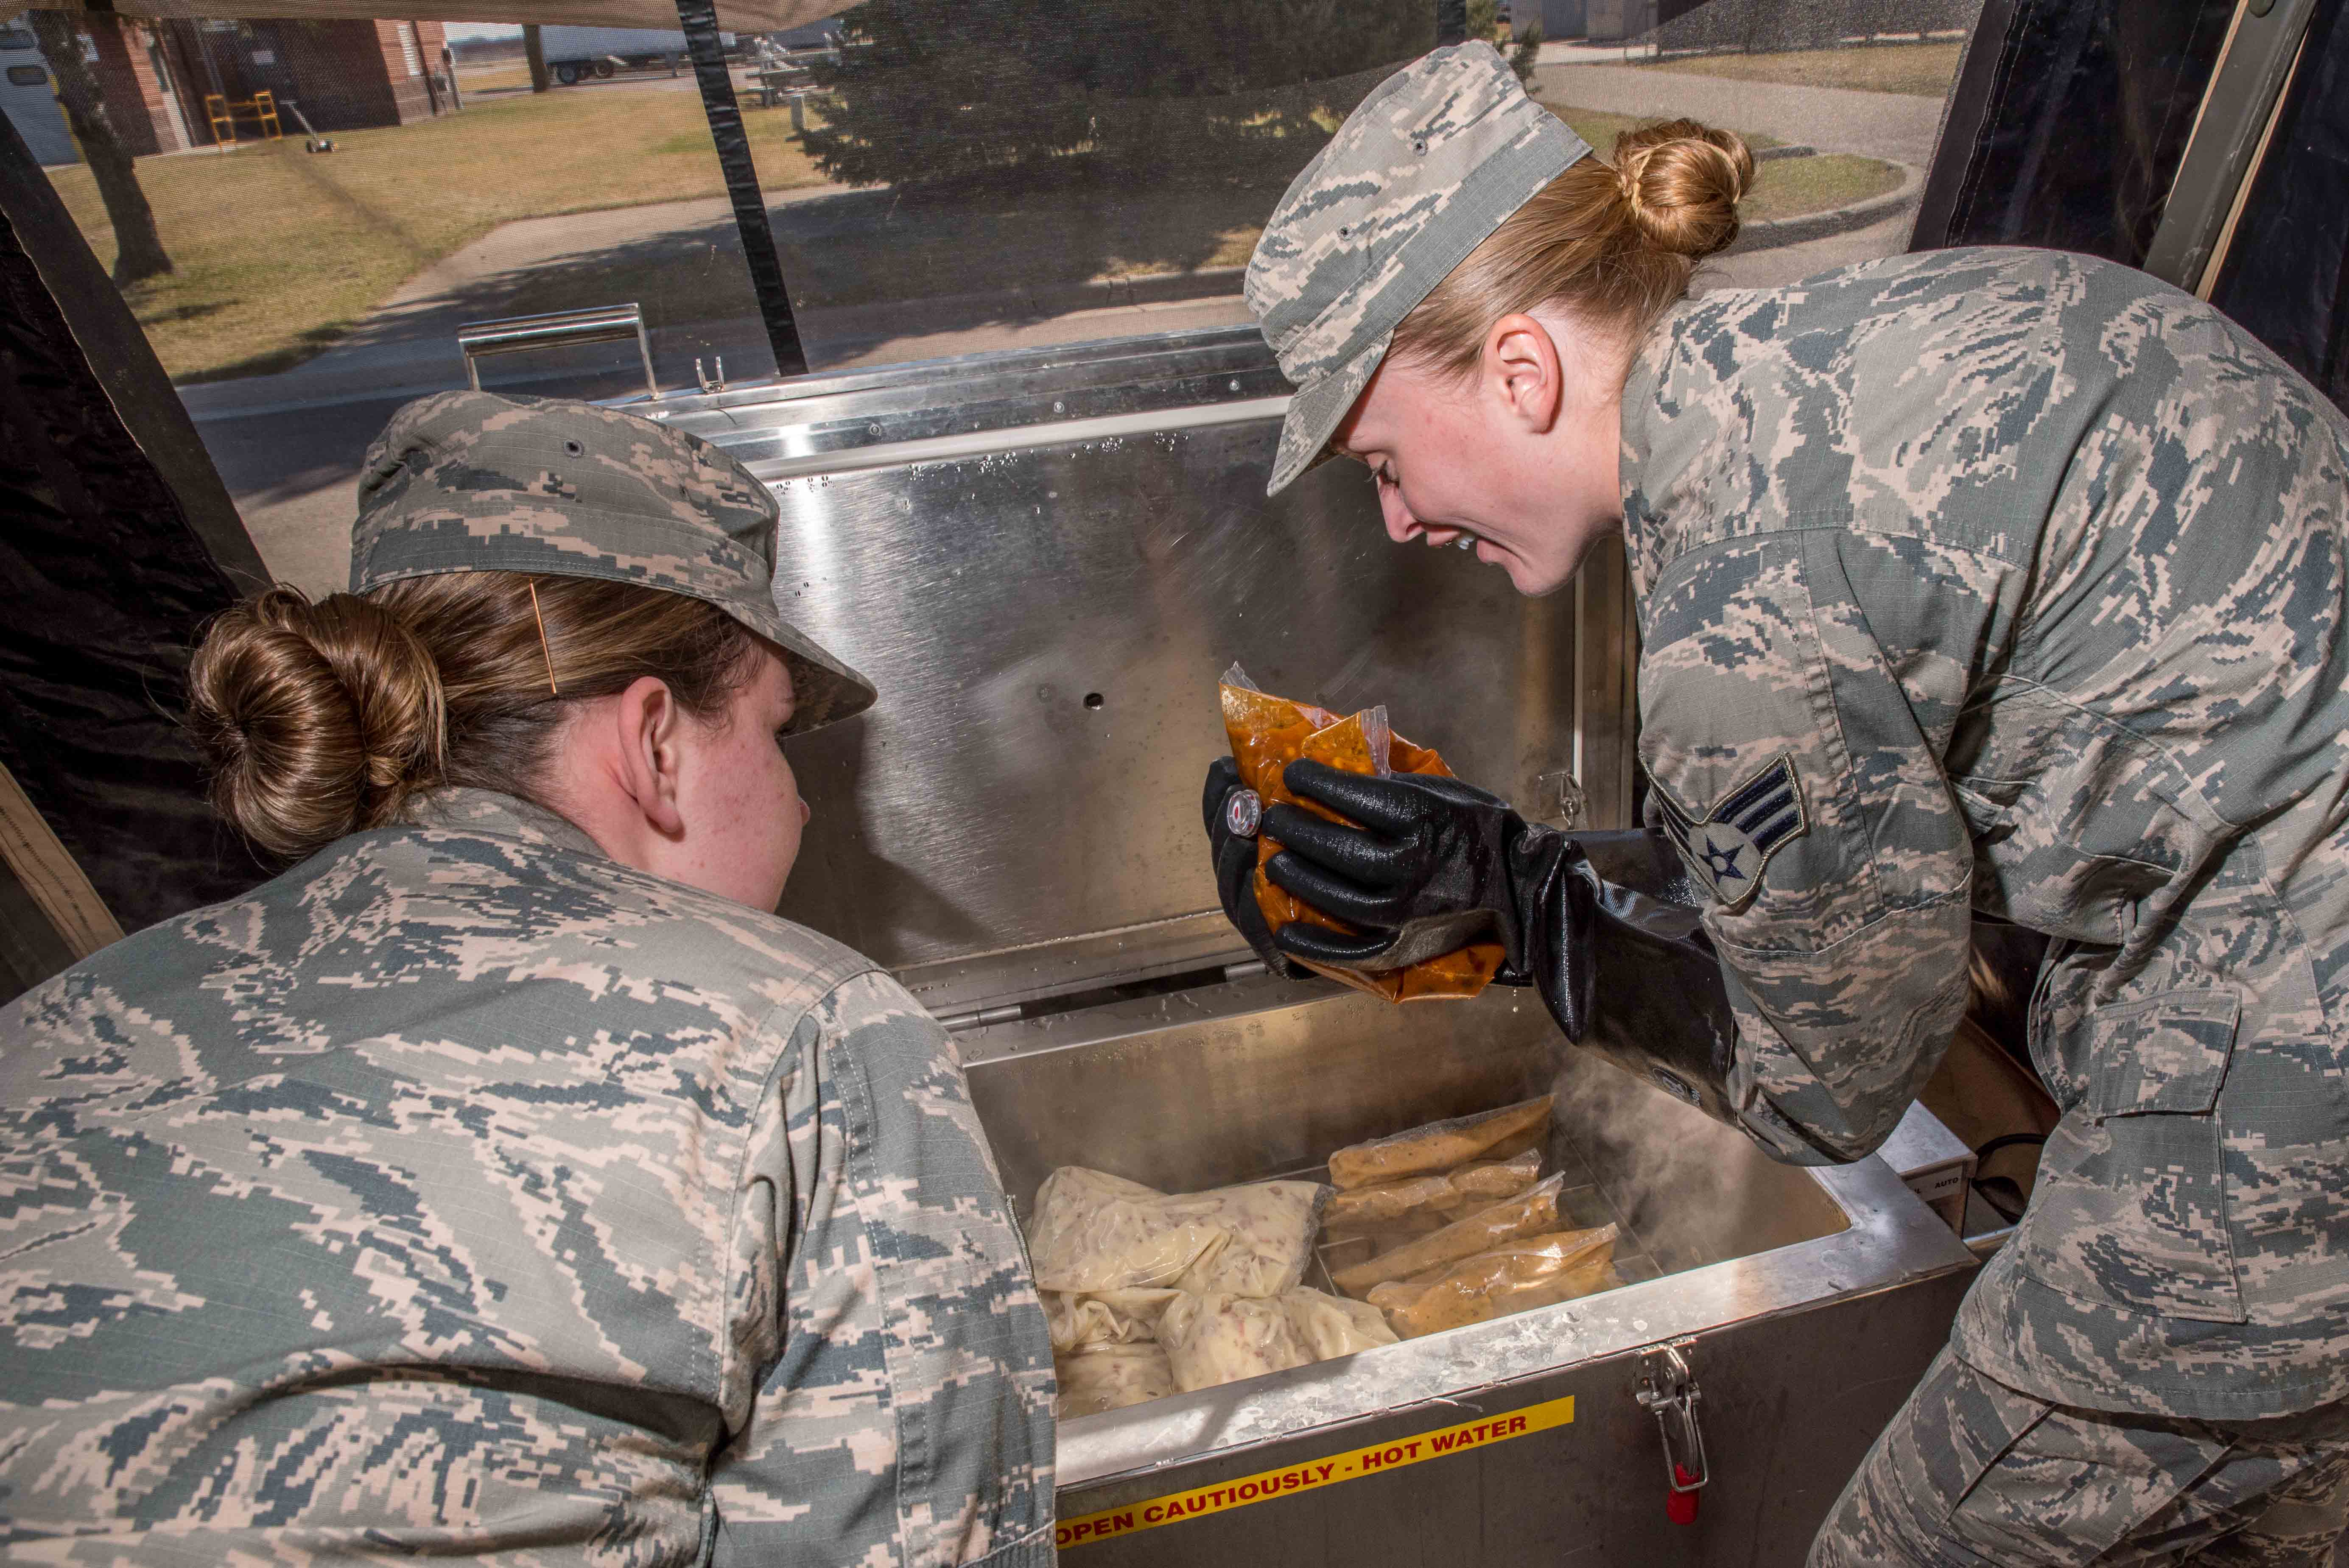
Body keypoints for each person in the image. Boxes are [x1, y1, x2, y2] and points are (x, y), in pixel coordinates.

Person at [1204, 41, 2349, 1566]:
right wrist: (1516, 867)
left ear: (1522, 371)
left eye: (1386, 459)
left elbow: (1825, 1086)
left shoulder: (1747, 594)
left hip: (2293, 1079)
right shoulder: (1854, 346)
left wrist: (1527, 910)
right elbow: (1851, 849)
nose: (1401, 520)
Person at [0, 391, 1057, 1565]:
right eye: (771, 732)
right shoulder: (807, 1036)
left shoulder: (49, 1026)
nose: (801, 802)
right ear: (656, 739)